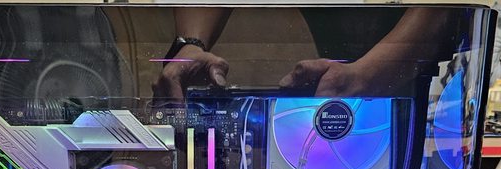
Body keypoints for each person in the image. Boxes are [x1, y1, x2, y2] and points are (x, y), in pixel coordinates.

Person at [153, 6, 459, 101]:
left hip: (415, 88)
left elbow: (440, 12)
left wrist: (367, 77)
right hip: (337, 79)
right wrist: (190, 44)